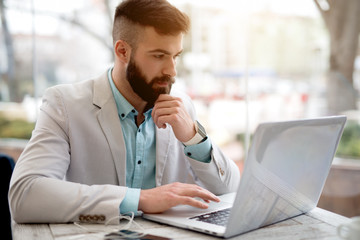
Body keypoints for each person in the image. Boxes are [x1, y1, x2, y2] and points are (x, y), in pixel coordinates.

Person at [9, 0, 240, 224]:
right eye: (159, 56)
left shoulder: (182, 106)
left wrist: (193, 137)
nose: (171, 71)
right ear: (122, 51)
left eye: (175, 56)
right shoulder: (64, 105)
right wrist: (141, 199)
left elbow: (230, 190)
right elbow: (24, 196)